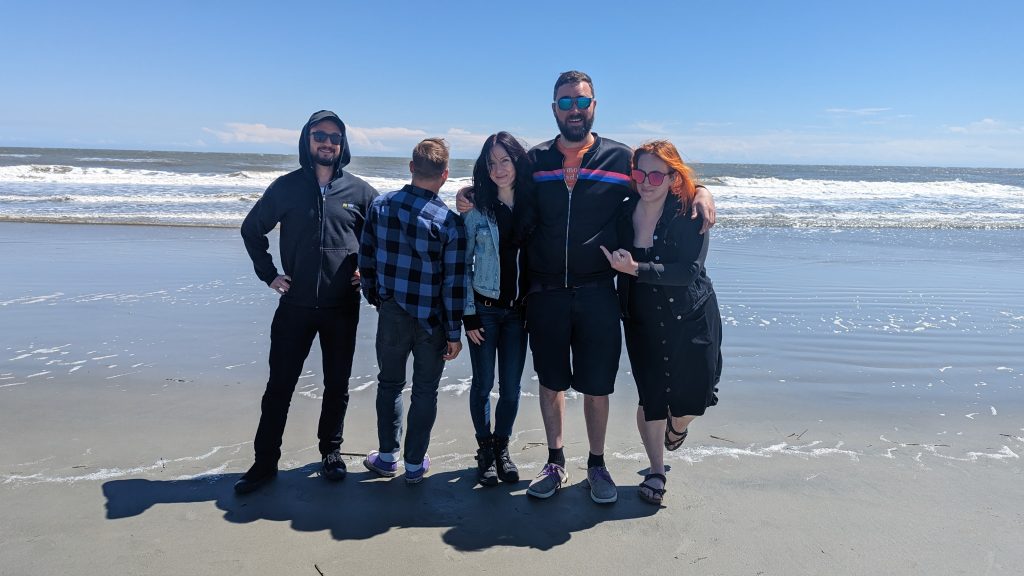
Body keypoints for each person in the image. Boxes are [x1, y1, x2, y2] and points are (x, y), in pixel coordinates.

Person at [495, 70, 715, 504]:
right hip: (545, 292)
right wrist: (467, 194)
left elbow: (663, 178)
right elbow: (498, 185)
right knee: (551, 382)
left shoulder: (620, 158)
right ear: (554, 108)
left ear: (594, 106)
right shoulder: (534, 160)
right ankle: (555, 460)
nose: (574, 110)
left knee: (598, 385)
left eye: (582, 102)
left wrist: (703, 190)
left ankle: (596, 464)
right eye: (565, 102)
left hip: (598, 291)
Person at [236, 110, 378, 494]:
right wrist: (269, 274)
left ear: (343, 144)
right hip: (295, 306)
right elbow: (252, 229)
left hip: (341, 307)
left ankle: (331, 453)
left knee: (337, 385)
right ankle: (265, 463)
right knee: (279, 386)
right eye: (320, 135)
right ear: (307, 140)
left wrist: (369, 269)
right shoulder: (285, 187)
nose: (327, 142)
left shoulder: (361, 193)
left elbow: (382, 240)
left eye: (334, 136)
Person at [601, 140, 723, 506]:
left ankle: (678, 426)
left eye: (656, 174)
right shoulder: (623, 211)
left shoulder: (690, 212)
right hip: (640, 318)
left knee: (698, 397)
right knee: (652, 396)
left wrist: (703, 190)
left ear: (673, 176)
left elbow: (688, 271)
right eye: (639, 173)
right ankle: (656, 468)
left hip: (691, 314)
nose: (647, 181)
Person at [359, 138, 467, 484]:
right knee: (425, 390)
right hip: (432, 319)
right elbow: (453, 283)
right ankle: (416, 463)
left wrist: (378, 297)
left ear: (411, 167)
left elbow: (367, 258)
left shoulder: (381, 206)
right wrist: (454, 333)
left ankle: (388, 456)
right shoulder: (449, 223)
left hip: (392, 310)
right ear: (445, 175)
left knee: (390, 383)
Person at [461, 132, 533, 486]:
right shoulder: (476, 211)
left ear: (517, 162)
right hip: (484, 312)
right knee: (483, 383)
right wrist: (468, 314)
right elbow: (462, 267)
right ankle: (484, 449)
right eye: (492, 163)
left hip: (519, 314)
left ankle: (502, 448)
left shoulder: (533, 205)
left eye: (505, 160)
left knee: (511, 388)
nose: (499, 169)